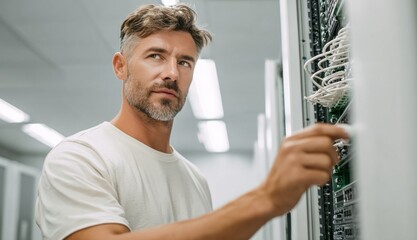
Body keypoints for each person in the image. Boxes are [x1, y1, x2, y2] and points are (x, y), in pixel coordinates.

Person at [35, 3, 348, 240]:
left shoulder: (194, 179)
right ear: (121, 66)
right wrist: (265, 200)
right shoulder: (80, 156)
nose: (172, 73)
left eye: (184, 62)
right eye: (155, 56)